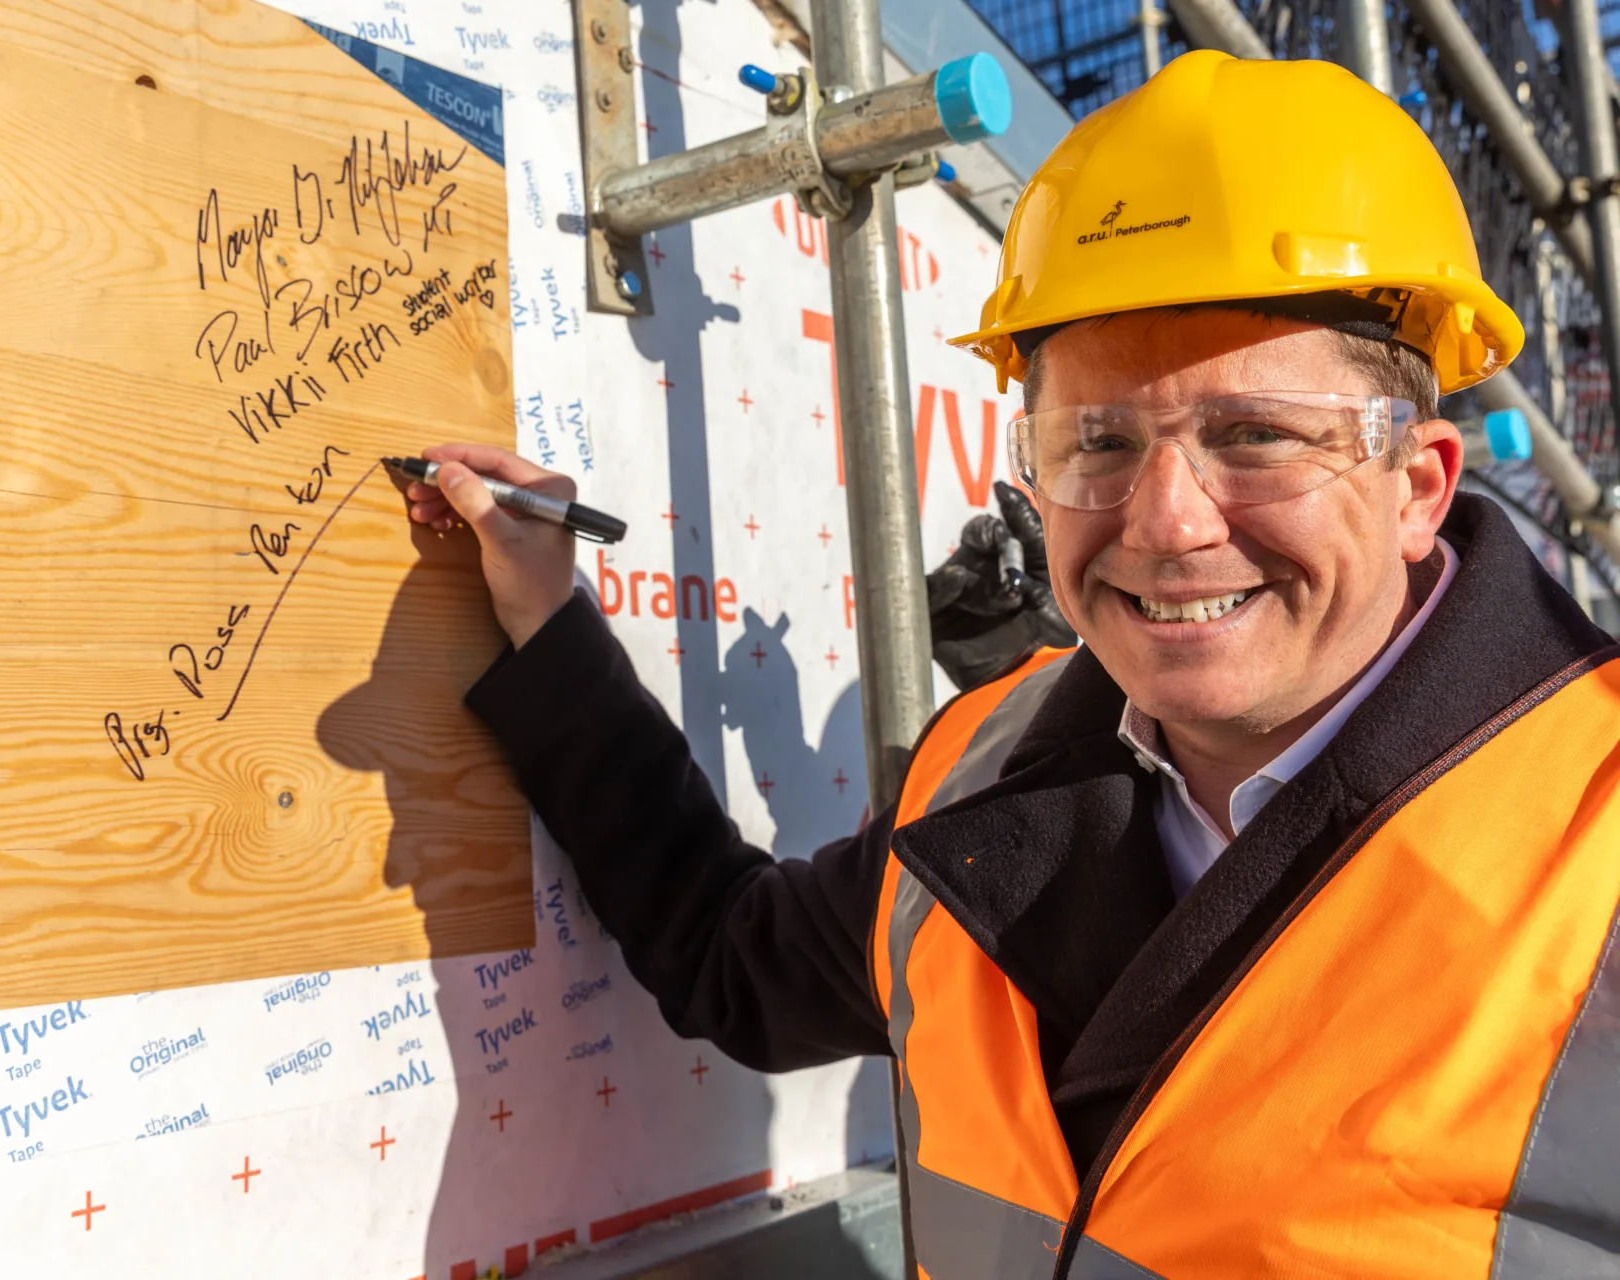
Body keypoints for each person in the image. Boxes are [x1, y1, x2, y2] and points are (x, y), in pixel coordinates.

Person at [403, 51, 1620, 1279]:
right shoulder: (982, 770)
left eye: (1254, 435)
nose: (1167, 520)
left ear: (1418, 486)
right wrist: (549, 622)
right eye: (1096, 442)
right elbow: (732, 957)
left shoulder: (1597, 833)